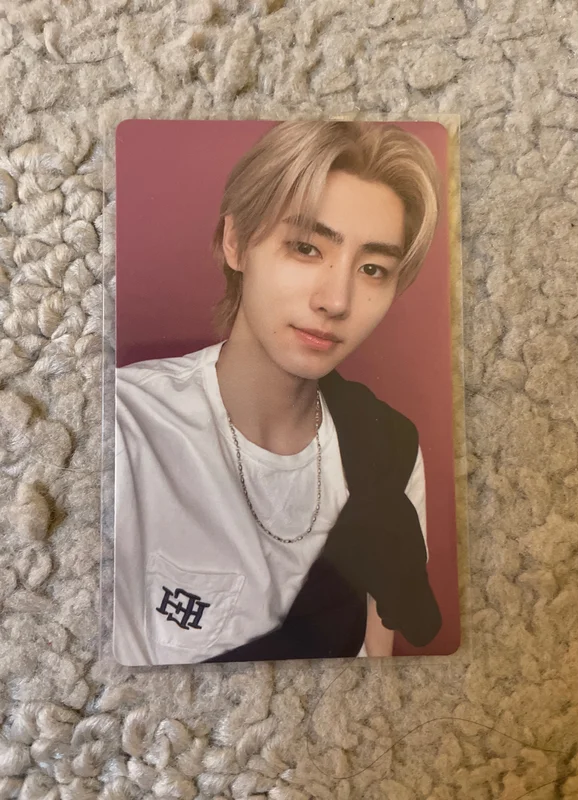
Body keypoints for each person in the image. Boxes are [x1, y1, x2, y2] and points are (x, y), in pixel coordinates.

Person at [113, 120, 443, 666]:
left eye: (372, 268)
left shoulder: (386, 447)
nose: (337, 300)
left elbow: (374, 670)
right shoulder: (126, 425)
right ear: (236, 242)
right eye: (306, 247)